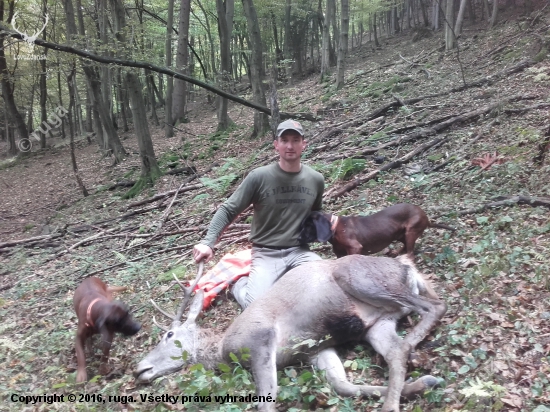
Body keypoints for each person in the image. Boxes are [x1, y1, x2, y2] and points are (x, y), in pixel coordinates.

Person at [193, 119, 325, 309]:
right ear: (276, 145)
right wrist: (208, 242)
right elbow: (228, 209)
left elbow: (317, 214)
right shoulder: (259, 177)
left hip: (300, 252)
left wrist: (329, 231)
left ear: (304, 144)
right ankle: (239, 286)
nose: (290, 146)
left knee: (327, 289)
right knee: (257, 308)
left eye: (295, 140)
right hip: (266, 254)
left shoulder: (315, 179)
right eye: (285, 140)